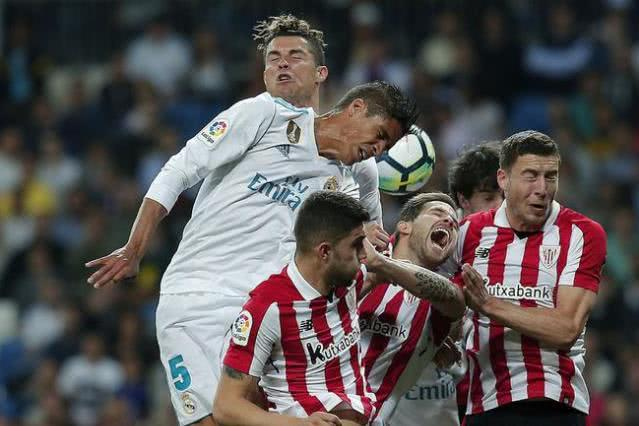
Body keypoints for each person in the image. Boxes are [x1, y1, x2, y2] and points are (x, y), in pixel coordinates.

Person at [86, 40, 417, 426]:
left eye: (387, 145)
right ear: (357, 108)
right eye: (380, 135)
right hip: (199, 299)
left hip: (270, 315)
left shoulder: (361, 174)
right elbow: (179, 170)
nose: (378, 149)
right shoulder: (263, 115)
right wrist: (134, 248)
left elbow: (367, 260)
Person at [214, 190, 464, 426]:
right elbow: (228, 404)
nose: (363, 254)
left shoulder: (354, 281)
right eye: (356, 245)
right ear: (325, 252)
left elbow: (454, 300)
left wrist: (380, 262)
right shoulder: (270, 305)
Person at [458, 131, 607, 426]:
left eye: (550, 177)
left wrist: (489, 304)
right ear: (503, 179)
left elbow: (566, 328)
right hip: (485, 403)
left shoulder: (583, 233)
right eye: (531, 176)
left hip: (554, 405)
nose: (542, 188)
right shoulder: (468, 232)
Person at [392, 142, 503, 426]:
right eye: (489, 197)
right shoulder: (430, 240)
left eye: (505, 197)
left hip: (474, 390)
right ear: (463, 200)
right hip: (412, 392)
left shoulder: (509, 247)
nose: (499, 207)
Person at [254, 14, 389, 247]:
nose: (284, 64)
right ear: (266, 75)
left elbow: (375, 239)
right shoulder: (249, 129)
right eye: (274, 59)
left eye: (296, 57)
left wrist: (360, 233)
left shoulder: (357, 160)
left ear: (320, 73)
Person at [358, 192, 466, 425]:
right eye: (437, 213)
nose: (449, 221)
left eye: (455, 224)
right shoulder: (358, 264)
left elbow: (454, 300)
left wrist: (380, 264)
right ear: (404, 226)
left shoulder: (439, 301)